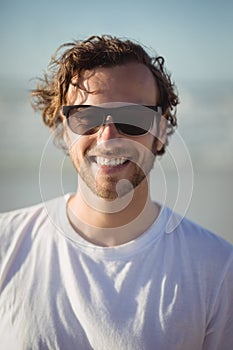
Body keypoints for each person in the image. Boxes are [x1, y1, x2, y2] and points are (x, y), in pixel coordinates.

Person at [0, 35, 232, 350]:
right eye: (86, 118)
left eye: (133, 119)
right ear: (64, 128)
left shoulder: (217, 269)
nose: (108, 137)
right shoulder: (6, 246)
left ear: (161, 131)